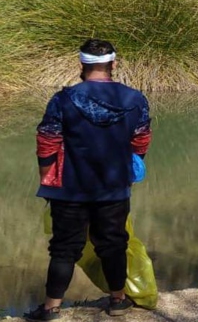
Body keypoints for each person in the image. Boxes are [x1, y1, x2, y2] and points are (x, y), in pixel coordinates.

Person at [27, 39, 152, 321]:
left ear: (81, 65)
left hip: (70, 189)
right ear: (114, 65)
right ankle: (118, 301)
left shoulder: (63, 99)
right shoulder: (135, 99)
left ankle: (50, 308)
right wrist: (130, 166)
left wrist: (46, 176)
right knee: (113, 243)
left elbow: (47, 140)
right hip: (114, 188)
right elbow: (141, 139)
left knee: (64, 248)